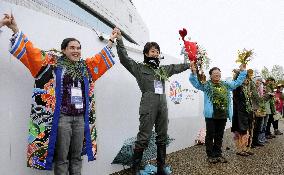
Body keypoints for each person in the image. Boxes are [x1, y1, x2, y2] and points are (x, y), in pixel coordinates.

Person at [1, 14, 118, 174]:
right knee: (62, 158)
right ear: (64, 50)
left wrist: (111, 40)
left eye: (78, 48)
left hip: (80, 119)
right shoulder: (51, 63)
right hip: (62, 118)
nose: (76, 51)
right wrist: (14, 28)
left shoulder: (86, 67)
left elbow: (100, 58)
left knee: (77, 157)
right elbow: (31, 51)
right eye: (72, 47)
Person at [115, 29, 189, 175]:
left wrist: (189, 63)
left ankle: (161, 168)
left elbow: (177, 67)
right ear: (146, 53)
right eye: (152, 51)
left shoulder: (162, 70)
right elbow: (124, 58)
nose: (155, 53)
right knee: (144, 137)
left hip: (163, 104)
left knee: (162, 136)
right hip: (148, 103)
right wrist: (119, 40)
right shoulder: (139, 67)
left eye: (157, 51)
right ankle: (135, 169)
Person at [189, 62, 247, 163]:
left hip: (222, 115)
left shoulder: (225, 84)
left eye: (219, 73)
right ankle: (210, 155)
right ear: (210, 75)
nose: (217, 75)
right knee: (210, 135)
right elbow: (196, 84)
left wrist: (242, 72)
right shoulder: (206, 85)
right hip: (211, 115)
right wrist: (194, 73)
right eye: (215, 73)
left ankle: (218, 154)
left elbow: (236, 83)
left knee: (219, 135)